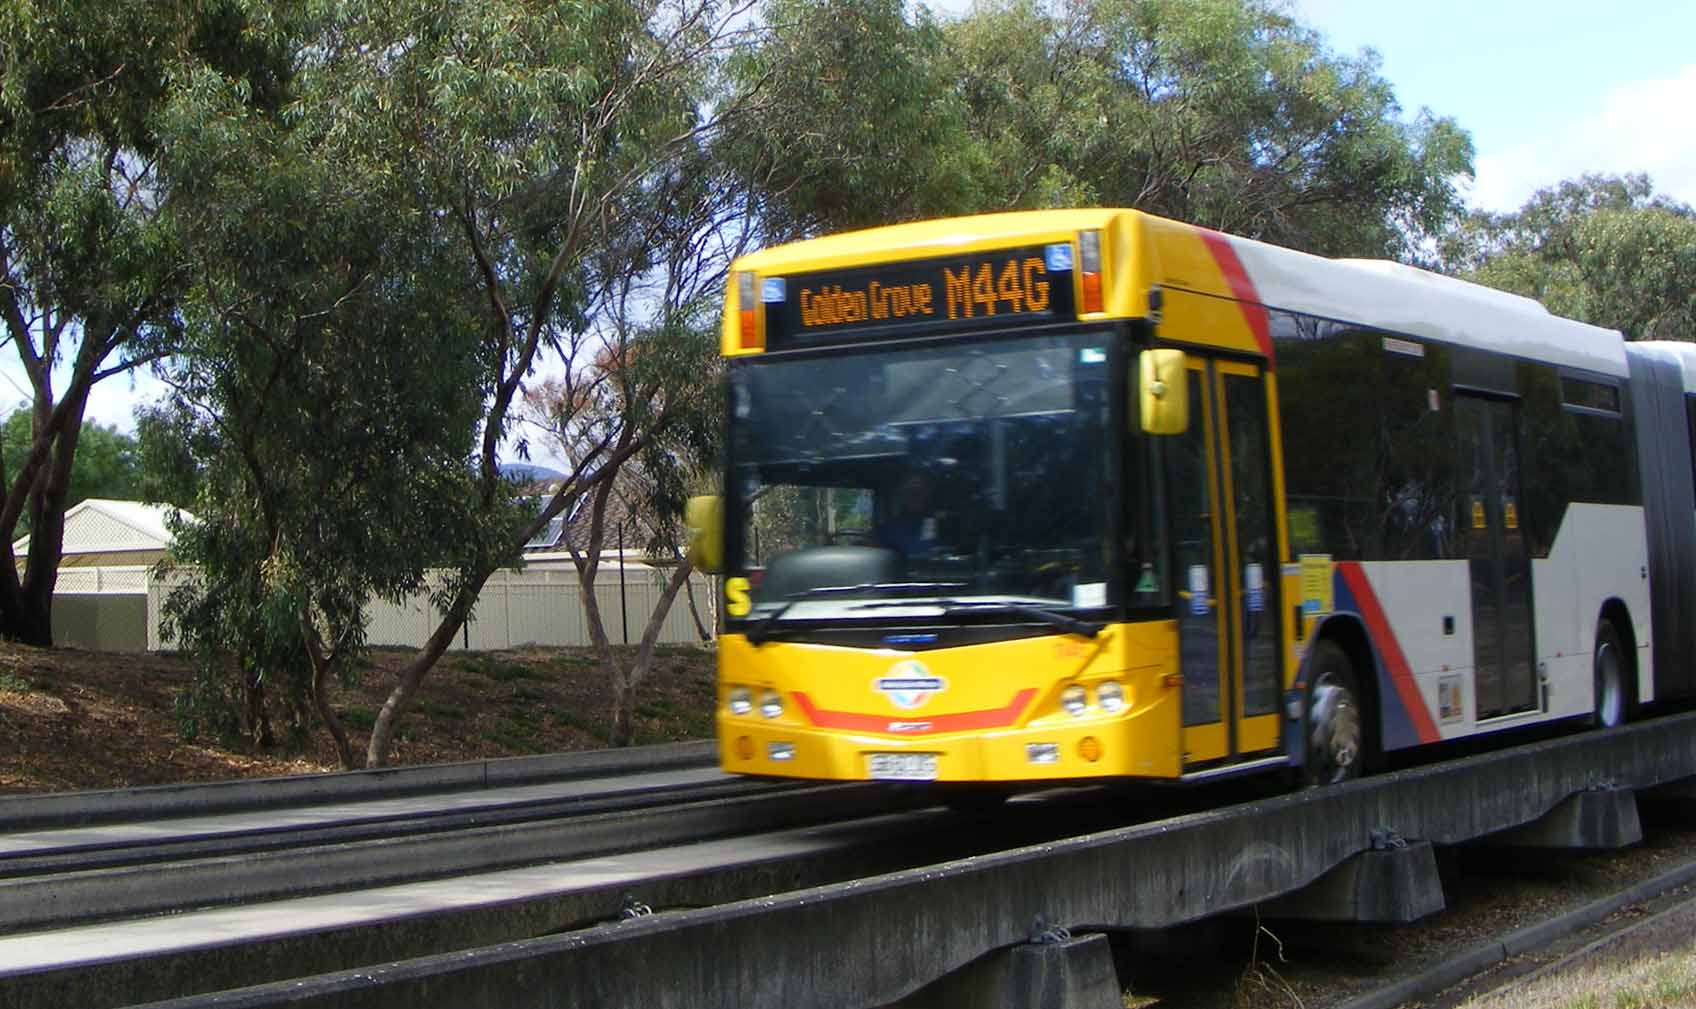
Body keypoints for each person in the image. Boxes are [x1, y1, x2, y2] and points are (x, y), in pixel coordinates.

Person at [878, 472, 937, 557]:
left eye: (919, 492)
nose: (915, 496)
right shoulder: (888, 528)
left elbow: (928, 551)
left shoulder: (934, 523)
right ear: (901, 494)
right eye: (911, 492)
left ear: (928, 494)